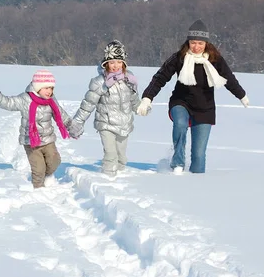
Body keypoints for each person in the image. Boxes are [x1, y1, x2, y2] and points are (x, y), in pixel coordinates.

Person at [137, 20, 249, 174]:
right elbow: (160, 77)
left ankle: (196, 186)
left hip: (205, 108)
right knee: (180, 124)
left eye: (200, 43)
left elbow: (229, 78)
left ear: (206, 44)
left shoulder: (215, 59)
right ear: (188, 42)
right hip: (181, 102)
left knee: (199, 156)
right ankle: (177, 164)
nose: (196, 47)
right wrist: (147, 98)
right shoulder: (179, 58)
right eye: (193, 43)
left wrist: (241, 95)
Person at [0, 69, 72, 188]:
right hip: (31, 142)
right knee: (38, 169)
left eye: (51, 88)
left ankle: (46, 176)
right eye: (46, 88)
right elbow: (9, 103)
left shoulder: (51, 100)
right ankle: (38, 190)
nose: (49, 91)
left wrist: (70, 125)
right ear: (37, 87)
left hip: (48, 140)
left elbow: (60, 113)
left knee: (55, 161)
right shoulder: (25, 99)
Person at [69, 40, 141, 176]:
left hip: (124, 123)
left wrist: (140, 108)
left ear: (124, 63)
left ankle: (120, 176)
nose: (115, 66)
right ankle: (107, 177)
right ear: (106, 63)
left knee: (121, 156)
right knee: (110, 154)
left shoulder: (129, 80)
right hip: (106, 123)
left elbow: (133, 99)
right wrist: (77, 122)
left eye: (119, 62)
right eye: (112, 62)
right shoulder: (100, 82)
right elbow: (88, 104)